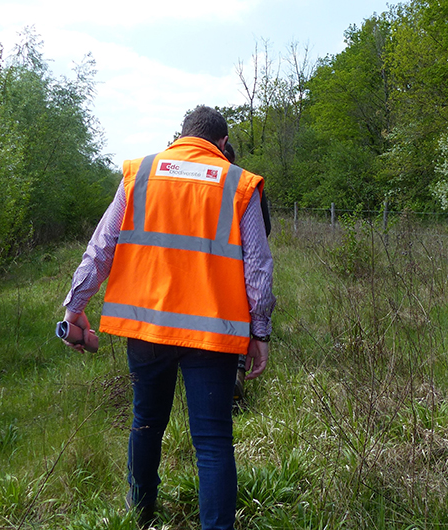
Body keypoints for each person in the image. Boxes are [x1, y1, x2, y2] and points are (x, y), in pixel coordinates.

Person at [60, 105, 275, 530]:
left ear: (180, 136)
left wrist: (76, 304)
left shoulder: (139, 175)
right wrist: (261, 331)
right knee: (213, 442)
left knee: (145, 422)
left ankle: (139, 515)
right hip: (214, 336)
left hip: (147, 329)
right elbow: (258, 268)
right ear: (223, 143)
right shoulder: (240, 184)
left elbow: (102, 247)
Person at [222, 141, 271, 408]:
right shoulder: (247, 184)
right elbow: (265, 230)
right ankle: (235, 376)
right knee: (240, 317)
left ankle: (233, 379)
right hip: (241, 263)